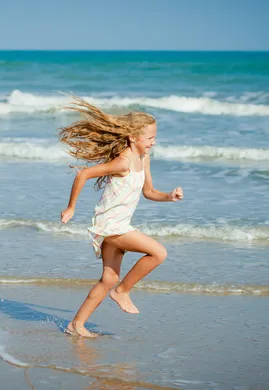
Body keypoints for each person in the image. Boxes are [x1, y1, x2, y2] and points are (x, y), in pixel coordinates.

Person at [59, 97, 183, 337]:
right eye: (149, 138)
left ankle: (76, 325)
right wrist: (71, 207)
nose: (153, 143)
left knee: (108, 279)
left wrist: (169, 196)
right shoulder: (123, 162)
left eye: (155, 138)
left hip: (118, 225)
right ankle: (123, 291)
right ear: (133, 137)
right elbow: (83, 174)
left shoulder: (143, 159)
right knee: (159, 253)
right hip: (111, 226)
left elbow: (149, 192)